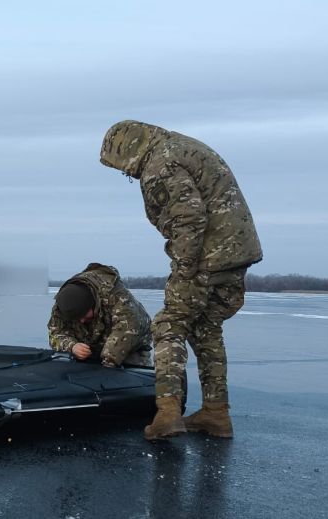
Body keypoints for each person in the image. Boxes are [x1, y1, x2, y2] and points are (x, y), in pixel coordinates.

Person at [99, 120, 262, 440]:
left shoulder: (159, 164)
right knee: (206, 328)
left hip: (206, 258)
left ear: (127, 151)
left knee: (168, 325)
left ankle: (168, 413)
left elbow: (188, 218)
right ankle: (216, 413)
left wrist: (185, 268)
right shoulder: (181, 148)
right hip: (235, 253)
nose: (125, 173)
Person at [48, 263, 153, 368]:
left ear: (93, 304)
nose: (82, 321)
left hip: (130, 345)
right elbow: (55, 333)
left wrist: (108, 363)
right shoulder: (63, 303)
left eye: (84, 315)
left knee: (128, 374)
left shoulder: (114, 295)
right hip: (91, 345)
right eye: (76, 319)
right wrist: (72, 346)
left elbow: (128, 327)